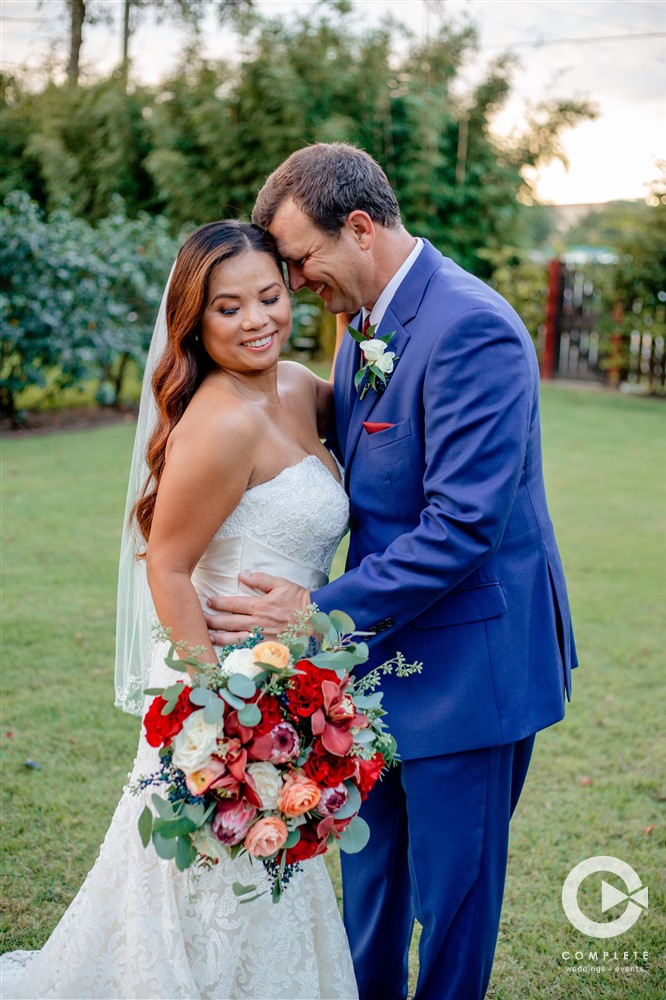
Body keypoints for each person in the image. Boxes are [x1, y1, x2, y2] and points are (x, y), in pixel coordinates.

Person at [204, 143, 578, 1000]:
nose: (295, 285)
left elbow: (461, 528)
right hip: (375, 673)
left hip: (470, 672)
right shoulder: (360, 328)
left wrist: (315, 612)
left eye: (299, 262)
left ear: (361, 228)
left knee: (452, 908)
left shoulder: (472, 327)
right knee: (370, 896)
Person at [0, 221, 358, 1000]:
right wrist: (215, 717)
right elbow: (166, 564)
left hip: (292, 670)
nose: (257, 319)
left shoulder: (298, 387)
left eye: (269, 295)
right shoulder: (220, 421)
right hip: (225, 685)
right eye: (228, 308)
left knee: (272, 868)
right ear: (195, 320)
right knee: (208, 868)